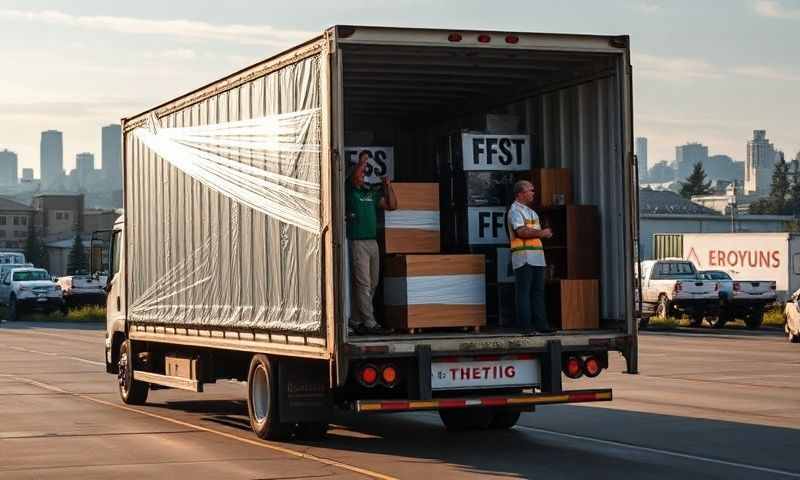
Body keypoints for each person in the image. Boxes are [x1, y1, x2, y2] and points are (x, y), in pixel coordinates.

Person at [347, 151, 397, 334]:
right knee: (363, 284)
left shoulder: (370, 193)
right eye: (360, 172)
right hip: (358, 243)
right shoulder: (351, 191)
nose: (363, 174)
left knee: (373, 283)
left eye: (364, 172)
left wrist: (387, 185)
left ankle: (355, 319)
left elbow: (392, 205)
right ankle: (369, 323)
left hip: (373, 244)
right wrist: (363, 160)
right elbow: (353, 177)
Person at [507, 180, 555, 334]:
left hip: (536, 258)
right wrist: (542, 233)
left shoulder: (531, 212)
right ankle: (525, 327)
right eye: (530, 190)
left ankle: (541, 325)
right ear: (520, 193)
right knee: (524, 292)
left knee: (538, 292)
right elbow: (521, 232)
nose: (533, 192)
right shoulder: (515, 211)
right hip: (523, 257)